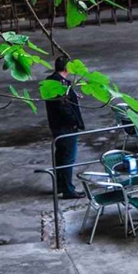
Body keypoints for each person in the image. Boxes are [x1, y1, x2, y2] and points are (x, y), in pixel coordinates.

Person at [44, 55, 85, 199]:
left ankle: (60, 185)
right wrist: (74, 121)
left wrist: (73, 94)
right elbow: (63, 106)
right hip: (65, 127)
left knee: (60, 157)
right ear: (67, 68)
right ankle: (68, 189)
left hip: (56, 125)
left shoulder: (51, 81)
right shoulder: (61, 84)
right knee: (68, 158)